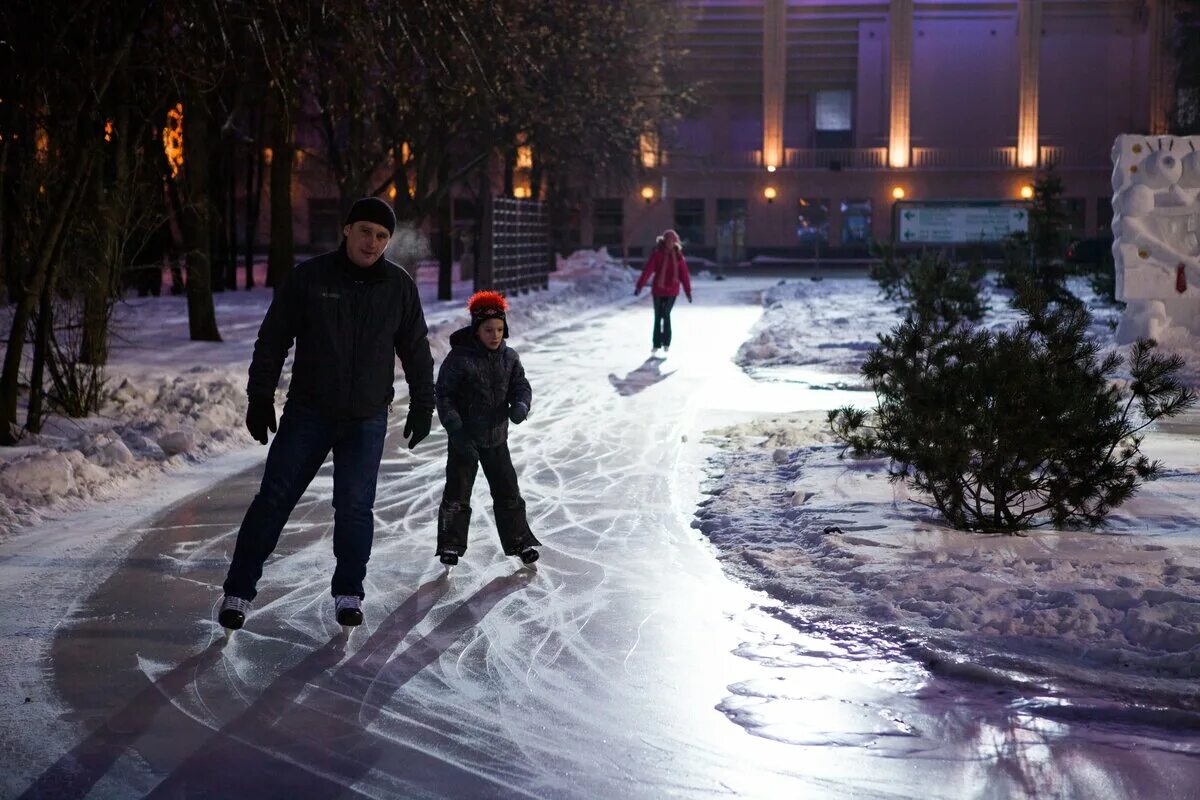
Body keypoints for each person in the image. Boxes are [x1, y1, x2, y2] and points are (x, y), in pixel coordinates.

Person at [218, 197, 436, 631]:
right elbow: (273, 338)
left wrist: (424, 401)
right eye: (365, 232)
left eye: (381, 236)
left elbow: (415, 348)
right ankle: (238, 592)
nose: (372, 243)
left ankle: (349, 592)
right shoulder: (310, 278)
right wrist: (260, 395)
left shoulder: (398, 286)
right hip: (309, 413)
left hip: (366, 418)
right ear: (347, 230)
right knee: (273, 500)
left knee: (355, 507)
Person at [434, 291, 540, 566]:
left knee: (508, 493)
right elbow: (444, 394)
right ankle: (450, 545)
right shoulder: (459, 358)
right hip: (465, 440)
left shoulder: (510, 358)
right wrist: (455, 428)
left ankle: (520, 542)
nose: (495, 335)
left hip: (496, 438)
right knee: (457, 493)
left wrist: (521, 405)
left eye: (500, 329)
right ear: (476, 330)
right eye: (488, 329)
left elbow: (521, 386)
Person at [634, 229, 693, 358]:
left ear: (675, 242)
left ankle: (666, 341)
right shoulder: (657, 255)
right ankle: (656, 343)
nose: (670, 243)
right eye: (667, 240)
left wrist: (688, 292)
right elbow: (648, 271)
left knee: (666, 314)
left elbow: (684, 275)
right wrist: (639, 286)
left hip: (672, 290)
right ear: (664, 241)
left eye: (672, 241)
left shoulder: (678, 257)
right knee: (657, 316)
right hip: (658, 290)